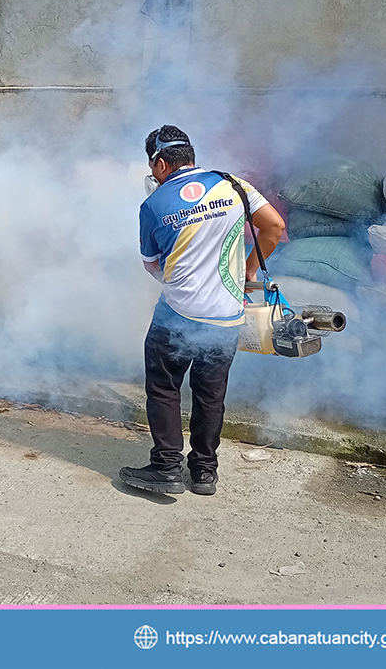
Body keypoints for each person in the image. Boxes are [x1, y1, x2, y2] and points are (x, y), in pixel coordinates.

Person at [120, 125, 286, 496]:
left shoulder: (153, 205)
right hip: (227, 317)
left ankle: (166, 468)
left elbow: (153, 266)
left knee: (164, 389)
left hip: (177, 316)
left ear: (160, 162)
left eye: (153, 169)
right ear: (191, 156)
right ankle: (204, 471)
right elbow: (274, 226)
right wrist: (246, 271)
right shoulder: (234, 186)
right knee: (210, 395)